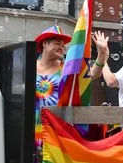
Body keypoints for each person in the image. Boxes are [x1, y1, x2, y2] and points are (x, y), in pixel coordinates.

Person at [34, 26, 108, 161]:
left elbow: (92, 75)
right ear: (44, 43)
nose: (61, 47)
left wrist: (102, 54)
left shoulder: (67, 69)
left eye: (63, 45)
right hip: (29, 130)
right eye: (57, 43)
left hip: (56, 130)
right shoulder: (28, 66)